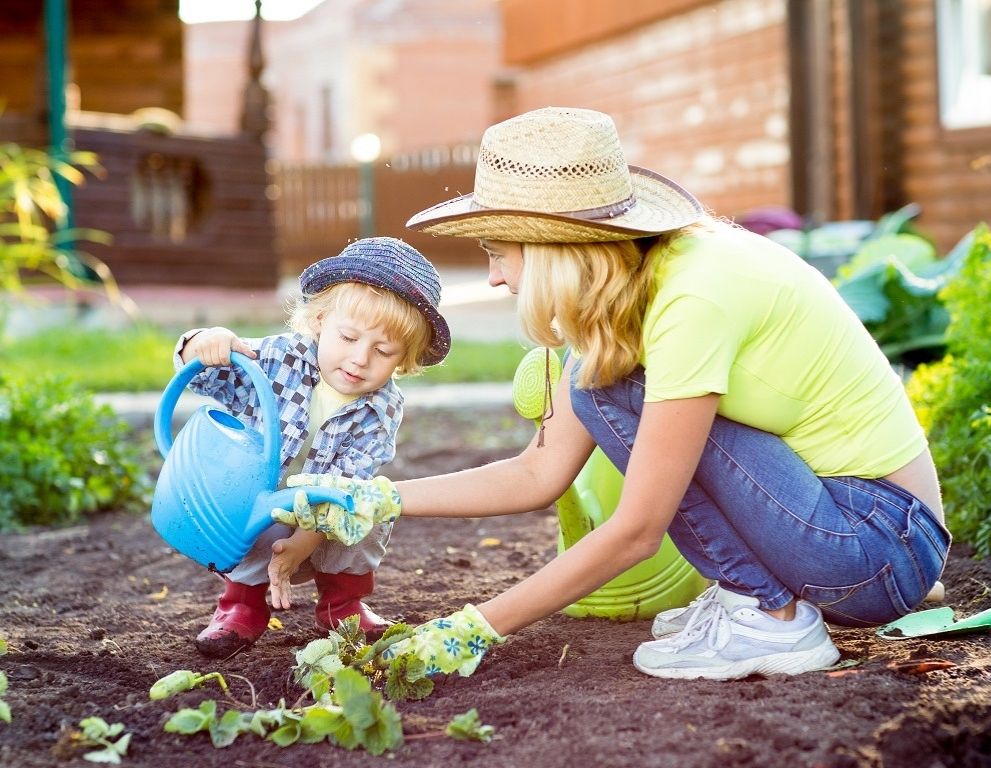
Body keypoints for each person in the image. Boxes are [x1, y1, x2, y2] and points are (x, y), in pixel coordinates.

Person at [275, 107, 951, 681]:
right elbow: (537, 473)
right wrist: (380, 498)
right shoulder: (642, 287)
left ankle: (771, 617)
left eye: (499, 252)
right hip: (838, 531)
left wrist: (470, 630)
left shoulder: (692, 297)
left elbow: (636, 531)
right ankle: (763, 600)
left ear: (553, 251)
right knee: (597, 380)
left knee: (602, 385)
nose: (494, 280)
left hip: (877, 545)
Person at [175, 236, 450, 658]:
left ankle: (342, 605)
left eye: (382, 350)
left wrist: (306, 539)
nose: (360, 359)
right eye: (348, 337)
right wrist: (203, 342)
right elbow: (203, 376)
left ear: (404, 359)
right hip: (255, 504)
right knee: (245, 514)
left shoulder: (382, 406)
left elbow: (347, 481)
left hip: (324, 510)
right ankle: (241, 606)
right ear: (320, 319)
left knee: (369, 507)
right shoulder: (275, 358)